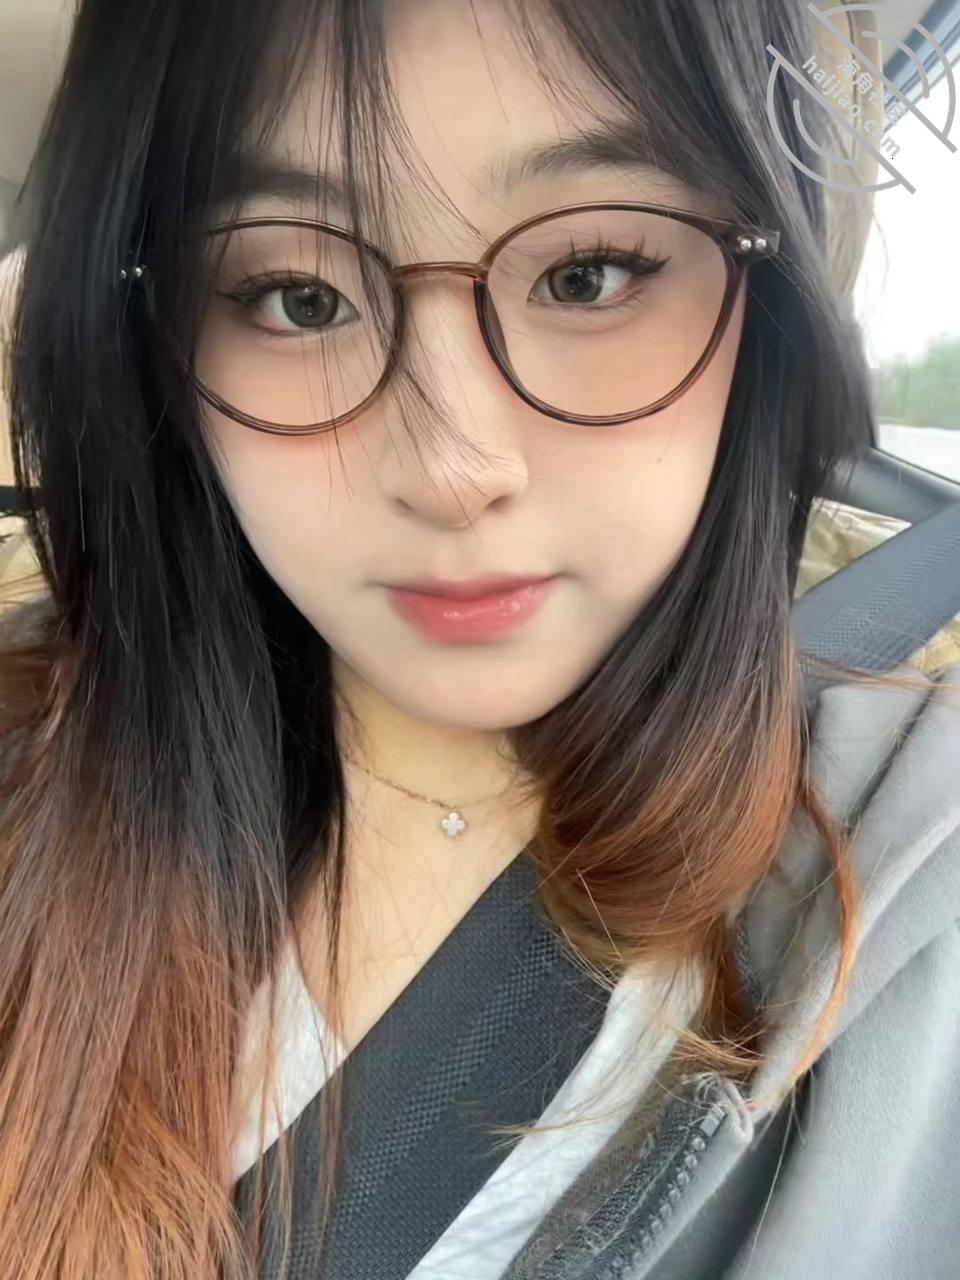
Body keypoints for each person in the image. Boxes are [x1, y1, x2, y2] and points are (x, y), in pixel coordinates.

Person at [0, 0, 957, 1277]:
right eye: (297, 297)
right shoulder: (29, 764)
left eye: (588, 273)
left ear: (766, 298)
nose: (452, 467)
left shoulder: (914, 874)